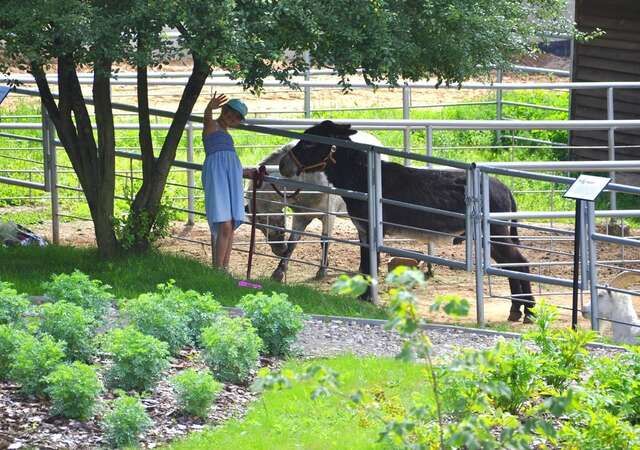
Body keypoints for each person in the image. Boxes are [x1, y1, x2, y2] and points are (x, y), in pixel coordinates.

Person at [201, 92, 256, 270]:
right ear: (223, 110)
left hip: (229, 176)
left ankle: (224, 267)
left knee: (230, 223)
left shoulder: (226, 134)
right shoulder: (212, 126)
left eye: (237, 117)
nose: (232, 118)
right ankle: (217, 268)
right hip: (217, 176)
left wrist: (243, 172)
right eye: (230, 113)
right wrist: (209, 107)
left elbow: (228, 163)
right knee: (224, 222)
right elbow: (207, 119)